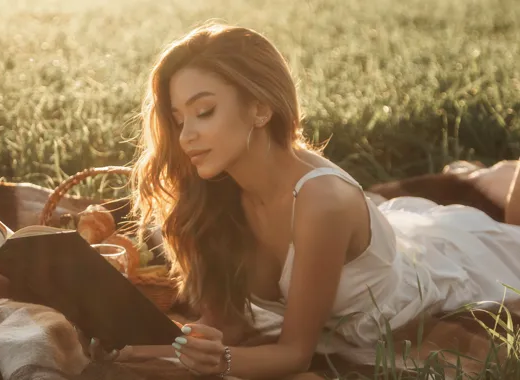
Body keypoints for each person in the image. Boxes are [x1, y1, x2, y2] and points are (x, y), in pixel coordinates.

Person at [82, 23, 520, 379]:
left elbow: (294, 354)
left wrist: (222, 360)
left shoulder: (321, 202)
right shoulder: (212, 197)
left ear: (259, 108)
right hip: (395, 239)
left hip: (462, 267)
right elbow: (224, 326)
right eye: (178, 120)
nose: (186, 136)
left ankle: (496, 176)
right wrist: (140, 347)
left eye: (204, 111)